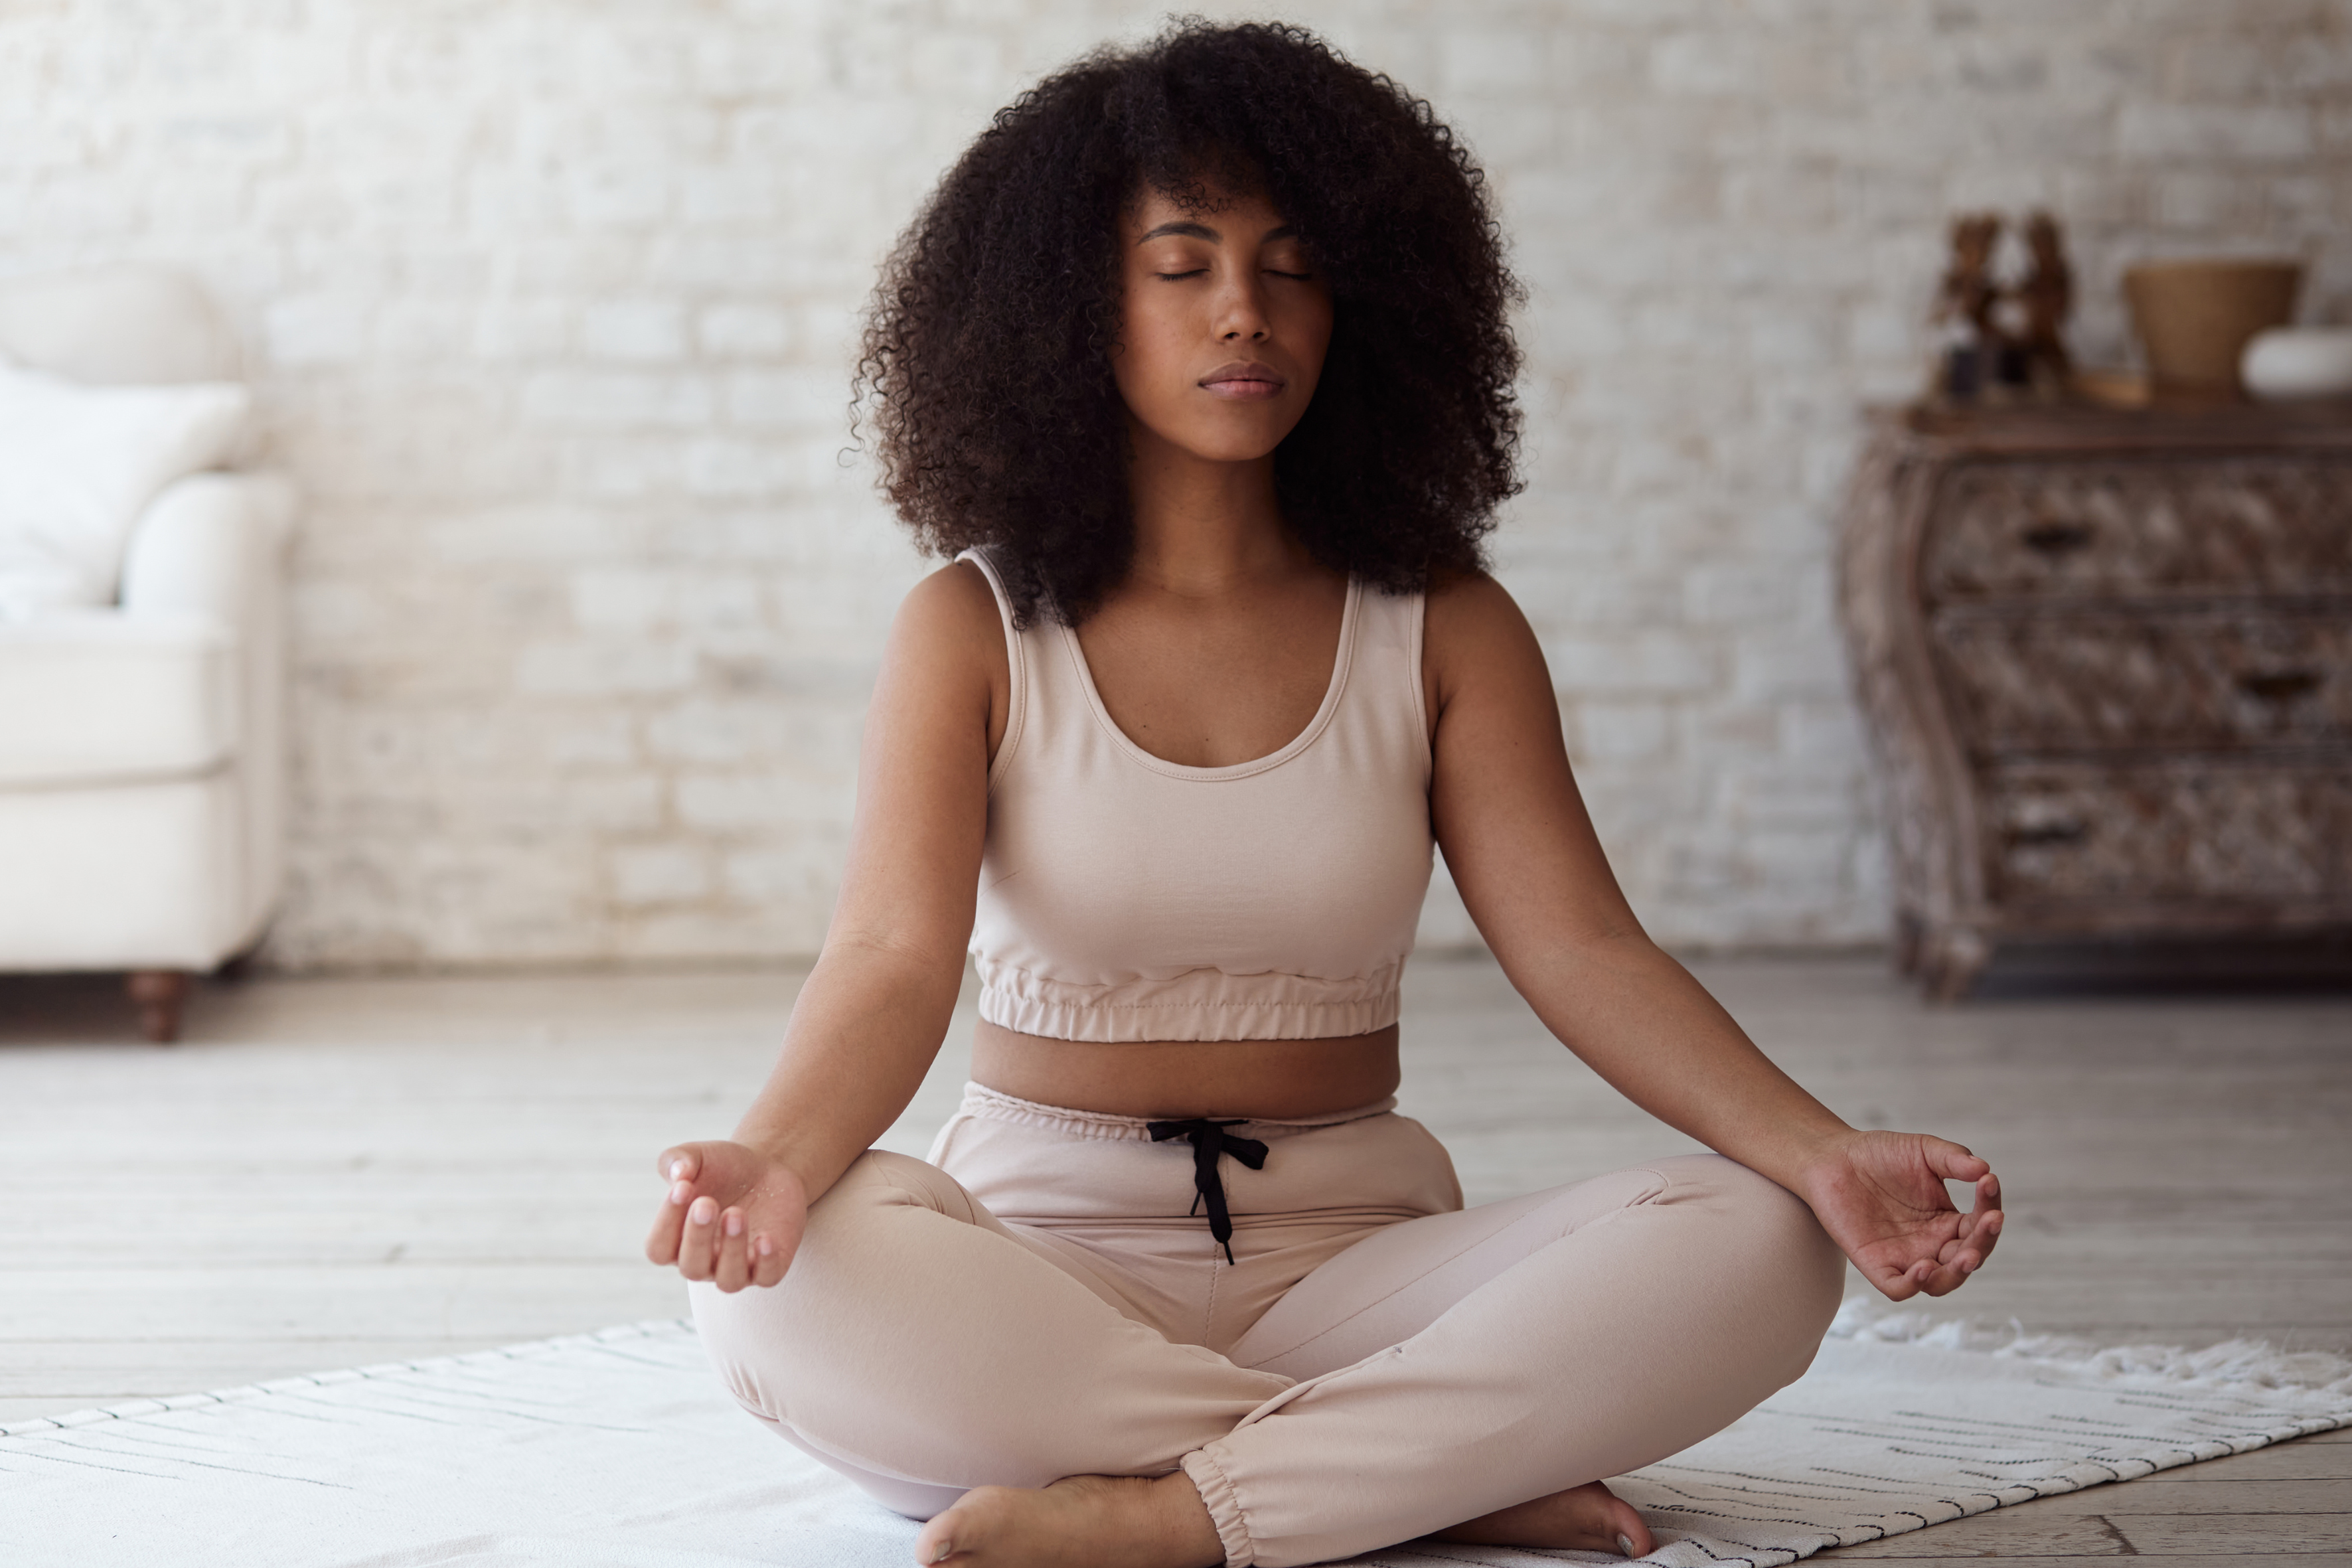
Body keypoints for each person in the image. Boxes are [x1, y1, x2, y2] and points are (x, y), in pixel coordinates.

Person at [645, 22, 2003, 1568]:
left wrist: (1818, 1150)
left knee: (1763, 1238)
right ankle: (1422, 1469)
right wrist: (774, 1155)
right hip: (1044, 1259)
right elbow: (889, 959)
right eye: (1182, 263)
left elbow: (1585, 953)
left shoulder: (1445, 622)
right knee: (782, 1278)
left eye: (1293, 266)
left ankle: (1177, 1509)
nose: (1246, 310)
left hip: (1359, 1263)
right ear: (1069, 308)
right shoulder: (971, 624)